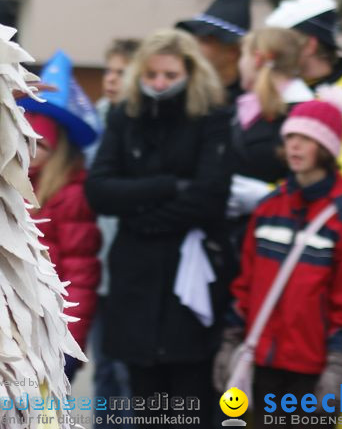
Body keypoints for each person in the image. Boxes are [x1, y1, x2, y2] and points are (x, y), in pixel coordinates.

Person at [85, 28, 232, 428]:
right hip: (137, 276)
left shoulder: (212, 117)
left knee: (190, 401)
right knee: (145, 398)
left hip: (190, 274)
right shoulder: (124, 114)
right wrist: (168, 186)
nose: (160, 83)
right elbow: (99, 190)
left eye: (169, 75)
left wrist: (142, 214)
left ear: (189, 72)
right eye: (151, 75)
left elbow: (209, 195)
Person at [215, 93, 342, 428]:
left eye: (307, 139)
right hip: (263, 360)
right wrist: (231, 339)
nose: (295, 146)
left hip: (311, 370)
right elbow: (247, 281)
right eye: (291, 137)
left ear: (326, 148)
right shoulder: (270, 206)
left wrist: (338, 362)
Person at [19, 51, 101, 381]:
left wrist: (71, 342)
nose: (29, 150)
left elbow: (81, 276)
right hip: (11, 329)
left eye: (40, 145)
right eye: (25, 140)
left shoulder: (71, 196)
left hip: (51, 333)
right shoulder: (9, 190)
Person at [265, 0, 342, 211]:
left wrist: (268, 194)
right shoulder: (281, 96)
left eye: (282, 43)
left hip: (335, 230)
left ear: (309, 46)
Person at [91, 38, 138, 429]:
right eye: (108, 71)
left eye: (121, 73)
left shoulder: (140, 129)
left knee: (126, 371)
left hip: (125, 267)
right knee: (103, 368)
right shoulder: (96, 120)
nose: (111, 80)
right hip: (95, 264)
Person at [227, 27, 313, 225]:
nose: (239, 64)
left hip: (276, 227)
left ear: (257, 59)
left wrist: (266, 194)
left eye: (243, 56)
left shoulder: (302, 112)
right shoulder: (244, 106)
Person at [176, 0, 251, 105]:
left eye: (205, 40)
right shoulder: (184, 91)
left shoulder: (250, 101)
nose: (194, 46)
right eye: (195, 38)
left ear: (232, 52)